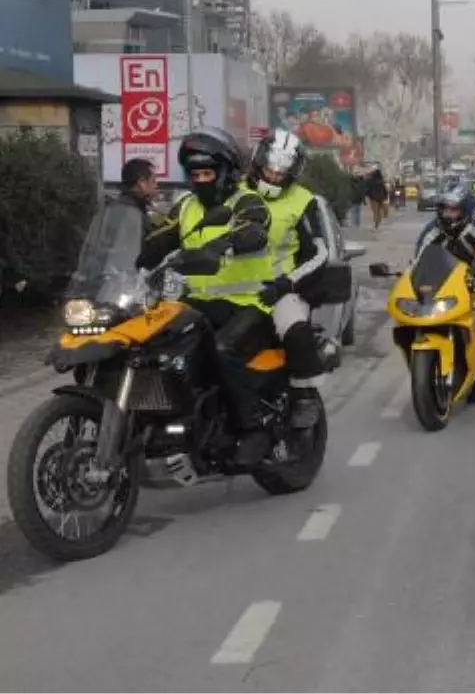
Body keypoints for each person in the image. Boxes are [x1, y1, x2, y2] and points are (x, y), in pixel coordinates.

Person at [138, 127, 276, 466]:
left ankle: (253, 429)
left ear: (226, 173)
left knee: (223, 348)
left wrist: (226, 243)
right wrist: (132, 254)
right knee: (153, 346)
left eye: (208, 172)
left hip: (249, 303)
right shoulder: (186, 208)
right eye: (195, 173)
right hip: (197, 304)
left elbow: (254, 228)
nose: (201, 180)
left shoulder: (247, 201)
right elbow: (160, 238)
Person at [245, 128, 331, 430]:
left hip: (280, 289)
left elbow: (319, 252)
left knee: (294, 329)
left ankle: (304, 392)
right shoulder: (234, 193)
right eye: (270, 169)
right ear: (258, 163)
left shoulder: (303, 200)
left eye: (282, 172)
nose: (274, 177)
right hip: (232, 288)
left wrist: (287, 283)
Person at [415, 184, 475, 347]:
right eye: (445, 209)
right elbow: (419, 255)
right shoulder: (433, 228)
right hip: (440, 279)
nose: (448, 214)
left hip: (474, 276)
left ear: (465, 210)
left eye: (453, 210)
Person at [116, 158, 160, 227]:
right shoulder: (132, 214)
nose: (156, 186)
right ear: (142, 183)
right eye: (153, 181)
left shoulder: (119, 207)